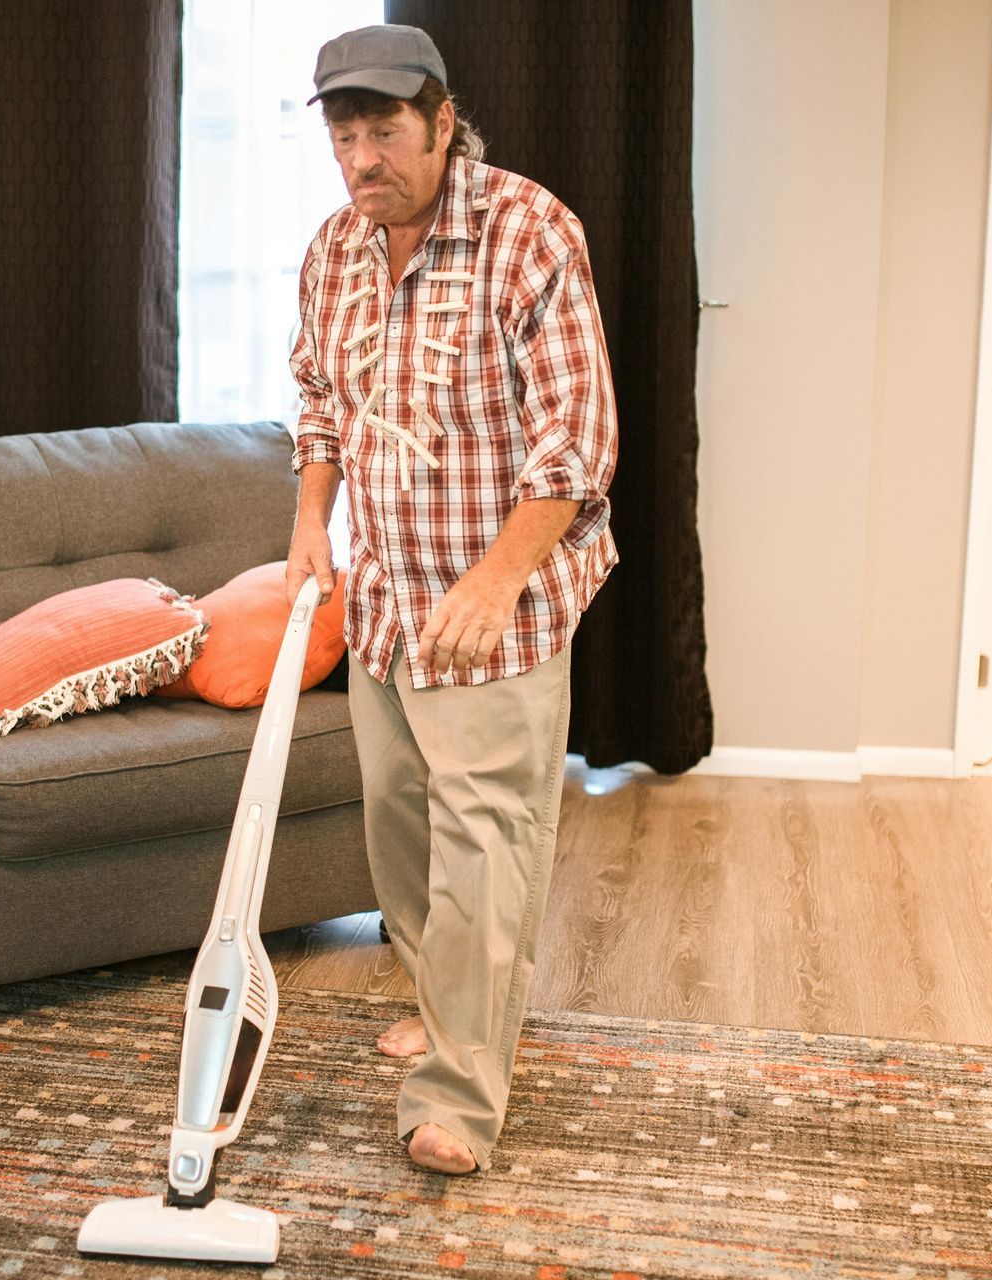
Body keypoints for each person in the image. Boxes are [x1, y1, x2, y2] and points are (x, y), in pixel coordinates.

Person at [282, 23, 619, 1176]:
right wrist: (307, 528)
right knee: (403, 830)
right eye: (344, 137)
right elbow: (319, 397)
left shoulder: (528, 232)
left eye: (384, 131)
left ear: (441, 122)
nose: (363, 158)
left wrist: (497, 576)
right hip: (383, 602)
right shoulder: (333, 250)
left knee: (486, 845)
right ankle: (443, 997)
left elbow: (576, 443)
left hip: (498, 606)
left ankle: (460, 1096)